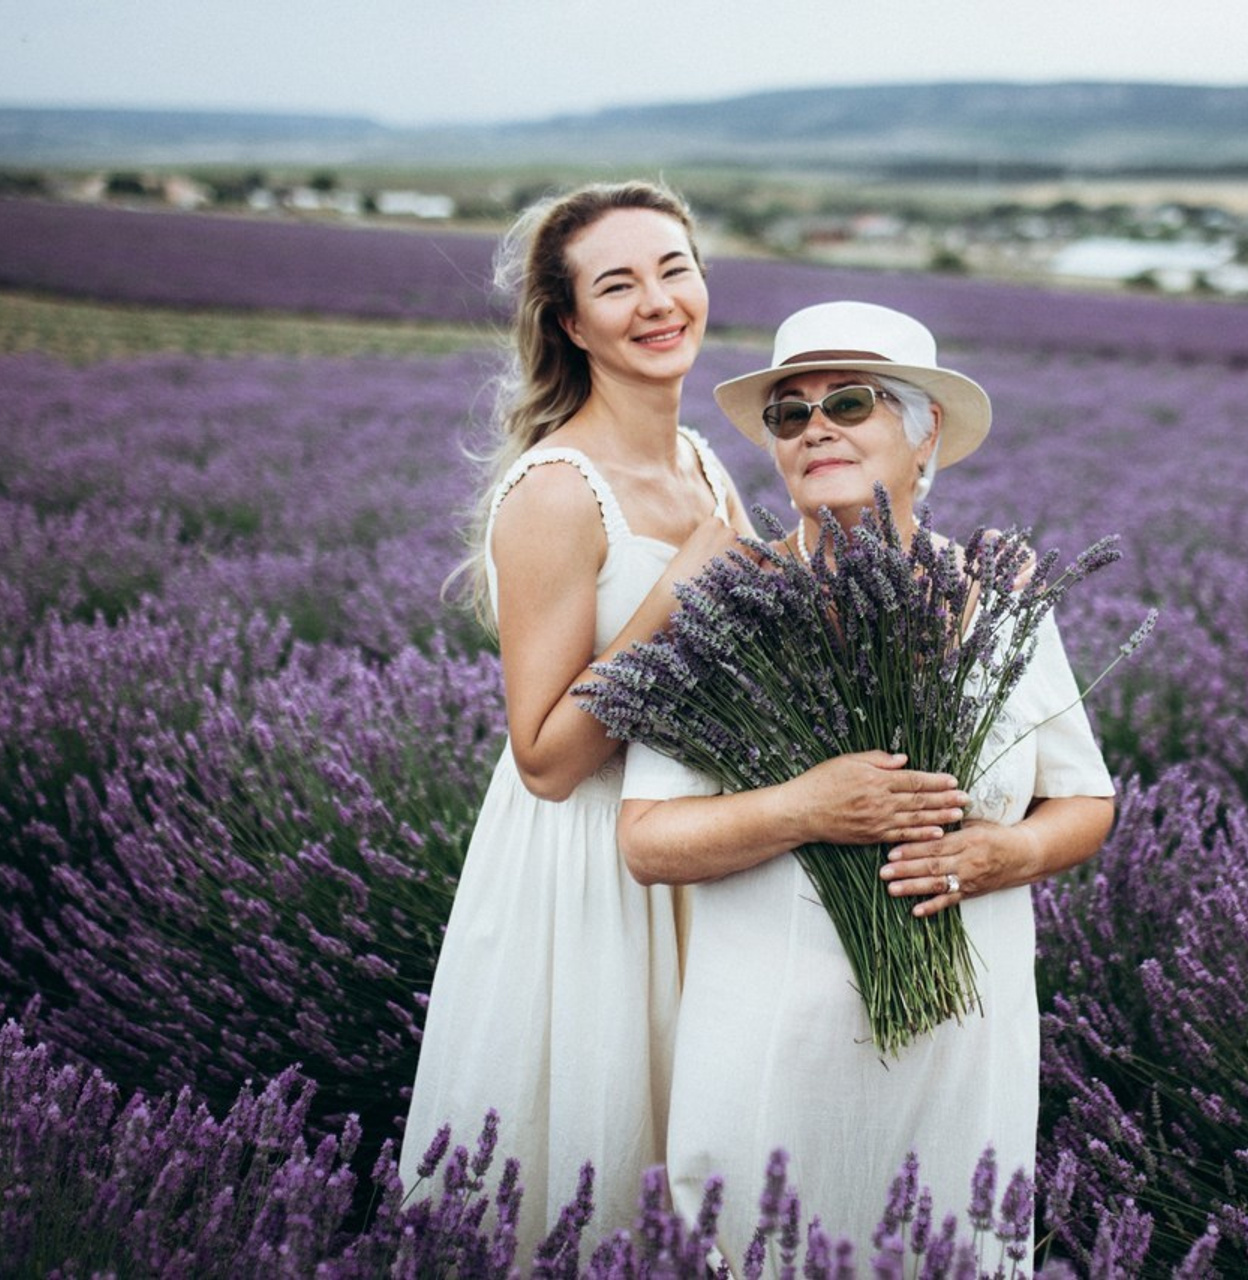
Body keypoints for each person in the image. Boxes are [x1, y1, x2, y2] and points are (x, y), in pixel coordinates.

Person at [396, 192, 965, 1261]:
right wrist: (677, 597)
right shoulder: (557, 489)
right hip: (585, 880)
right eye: (616, 285)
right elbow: (545, 756)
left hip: (700, 847)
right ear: (569, 323)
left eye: (674, 268)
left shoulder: (702, 460)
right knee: (588, 1170)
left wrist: (940, 597)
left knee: (702, 1171)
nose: (658, 302)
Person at [617, 301, 1117, 1267]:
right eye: (790, 413)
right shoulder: (726, 609)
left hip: (963, 1044)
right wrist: (806, 807)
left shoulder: (1005, 597)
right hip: (775, 1046)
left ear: (923, 432)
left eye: (852, 401)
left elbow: (1086, 802)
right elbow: (646, 841)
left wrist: (1000, 853)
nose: (818, 428)